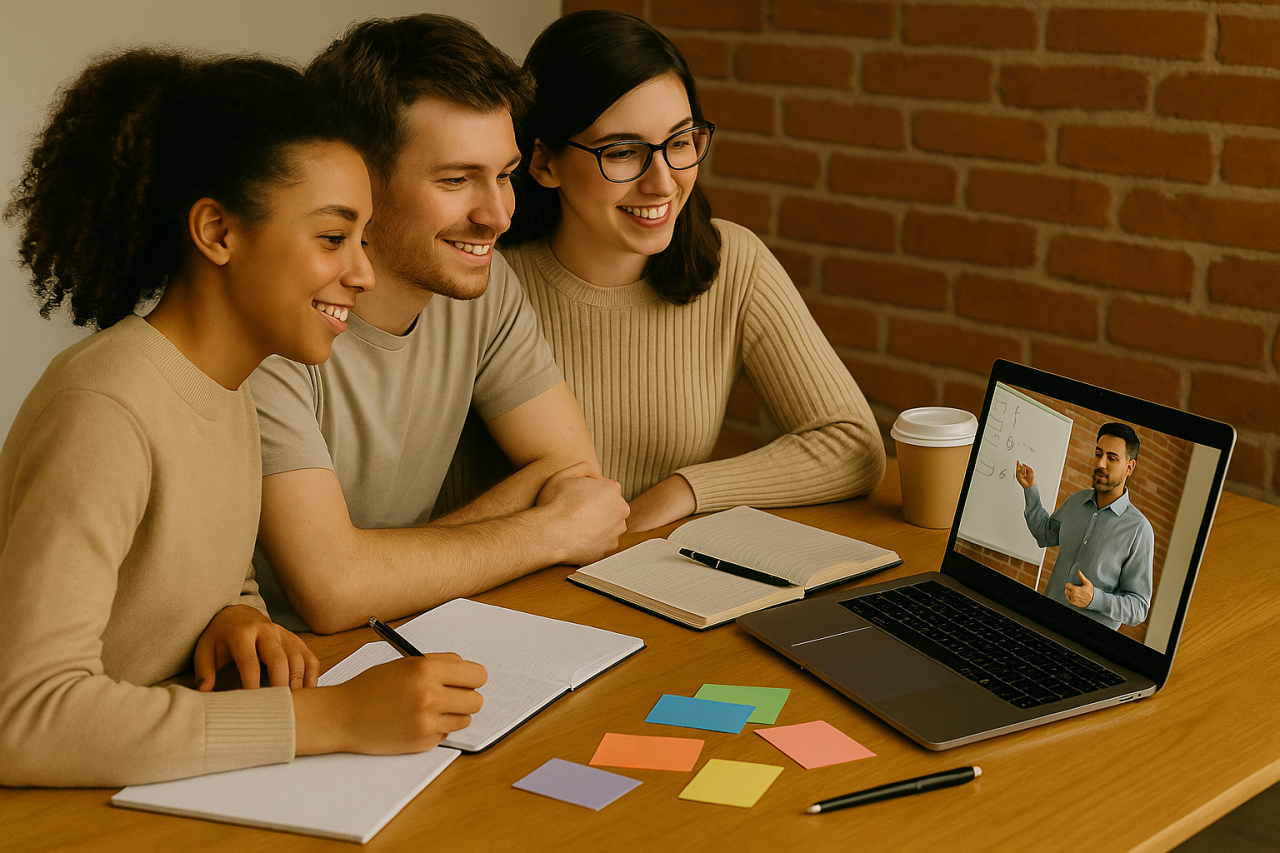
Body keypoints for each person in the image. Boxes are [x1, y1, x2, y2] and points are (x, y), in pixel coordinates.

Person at [0, 49, 485, 788]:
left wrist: (233, 618)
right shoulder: (104, 409)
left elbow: (196, 571)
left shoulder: (231, 389)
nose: (363, 271)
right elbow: (25, 719)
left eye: (362, 237)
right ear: (217, 233)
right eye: (333, 237)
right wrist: (336, 718)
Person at [247, 14, 631, 636]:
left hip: (400, 637)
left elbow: (573, 475)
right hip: (280, 675)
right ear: (358, 182)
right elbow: (331, 593)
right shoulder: (274, 324)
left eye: (503, 175)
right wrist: (550, 531)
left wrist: (379, 568)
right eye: (455, 180)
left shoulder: (482, 283)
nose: (498, 216)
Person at [495, 10, 886, 532]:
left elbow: (853, 445)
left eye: (679, 142)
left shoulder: (733, 262)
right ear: (543, 162)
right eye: (623, 152)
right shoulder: (486, 283)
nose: (663, 183)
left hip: (649, 578)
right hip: (509, 590)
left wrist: (686, 491)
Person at [1015, 423, 1154, 629]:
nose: (1101, 464)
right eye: (1098, 454)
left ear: (1129, 467)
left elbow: (1139, 608)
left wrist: (1094, 599)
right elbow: (1045, 534)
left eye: (1112, 458)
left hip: (1087, 644)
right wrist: (1030, 490)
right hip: (1045, 624)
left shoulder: (1138, 529)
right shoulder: (1076, 501)